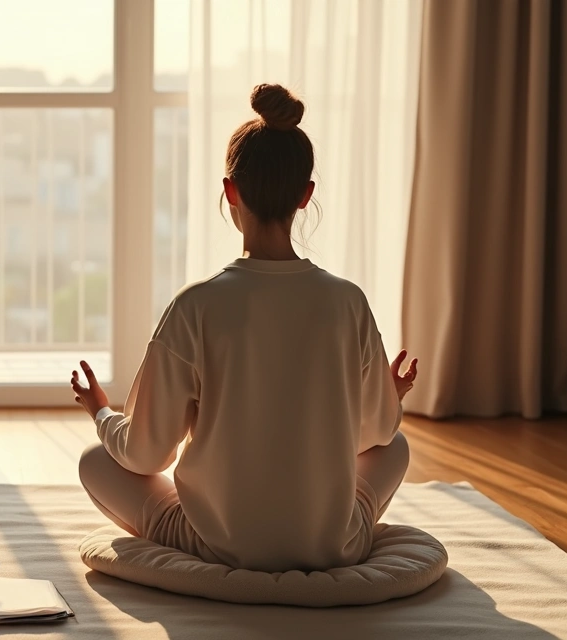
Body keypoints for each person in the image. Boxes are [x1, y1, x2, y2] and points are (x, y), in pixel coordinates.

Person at [70, 84, 419, 573]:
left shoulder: (195, 305)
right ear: (305, 196)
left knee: (95, 459)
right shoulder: (348, 302)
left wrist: (101, 412)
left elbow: (146, 455)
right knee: (396, 446)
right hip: (333, 546)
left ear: (230, 190)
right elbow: (376, 432)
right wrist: (387, 395)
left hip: (217, 545)